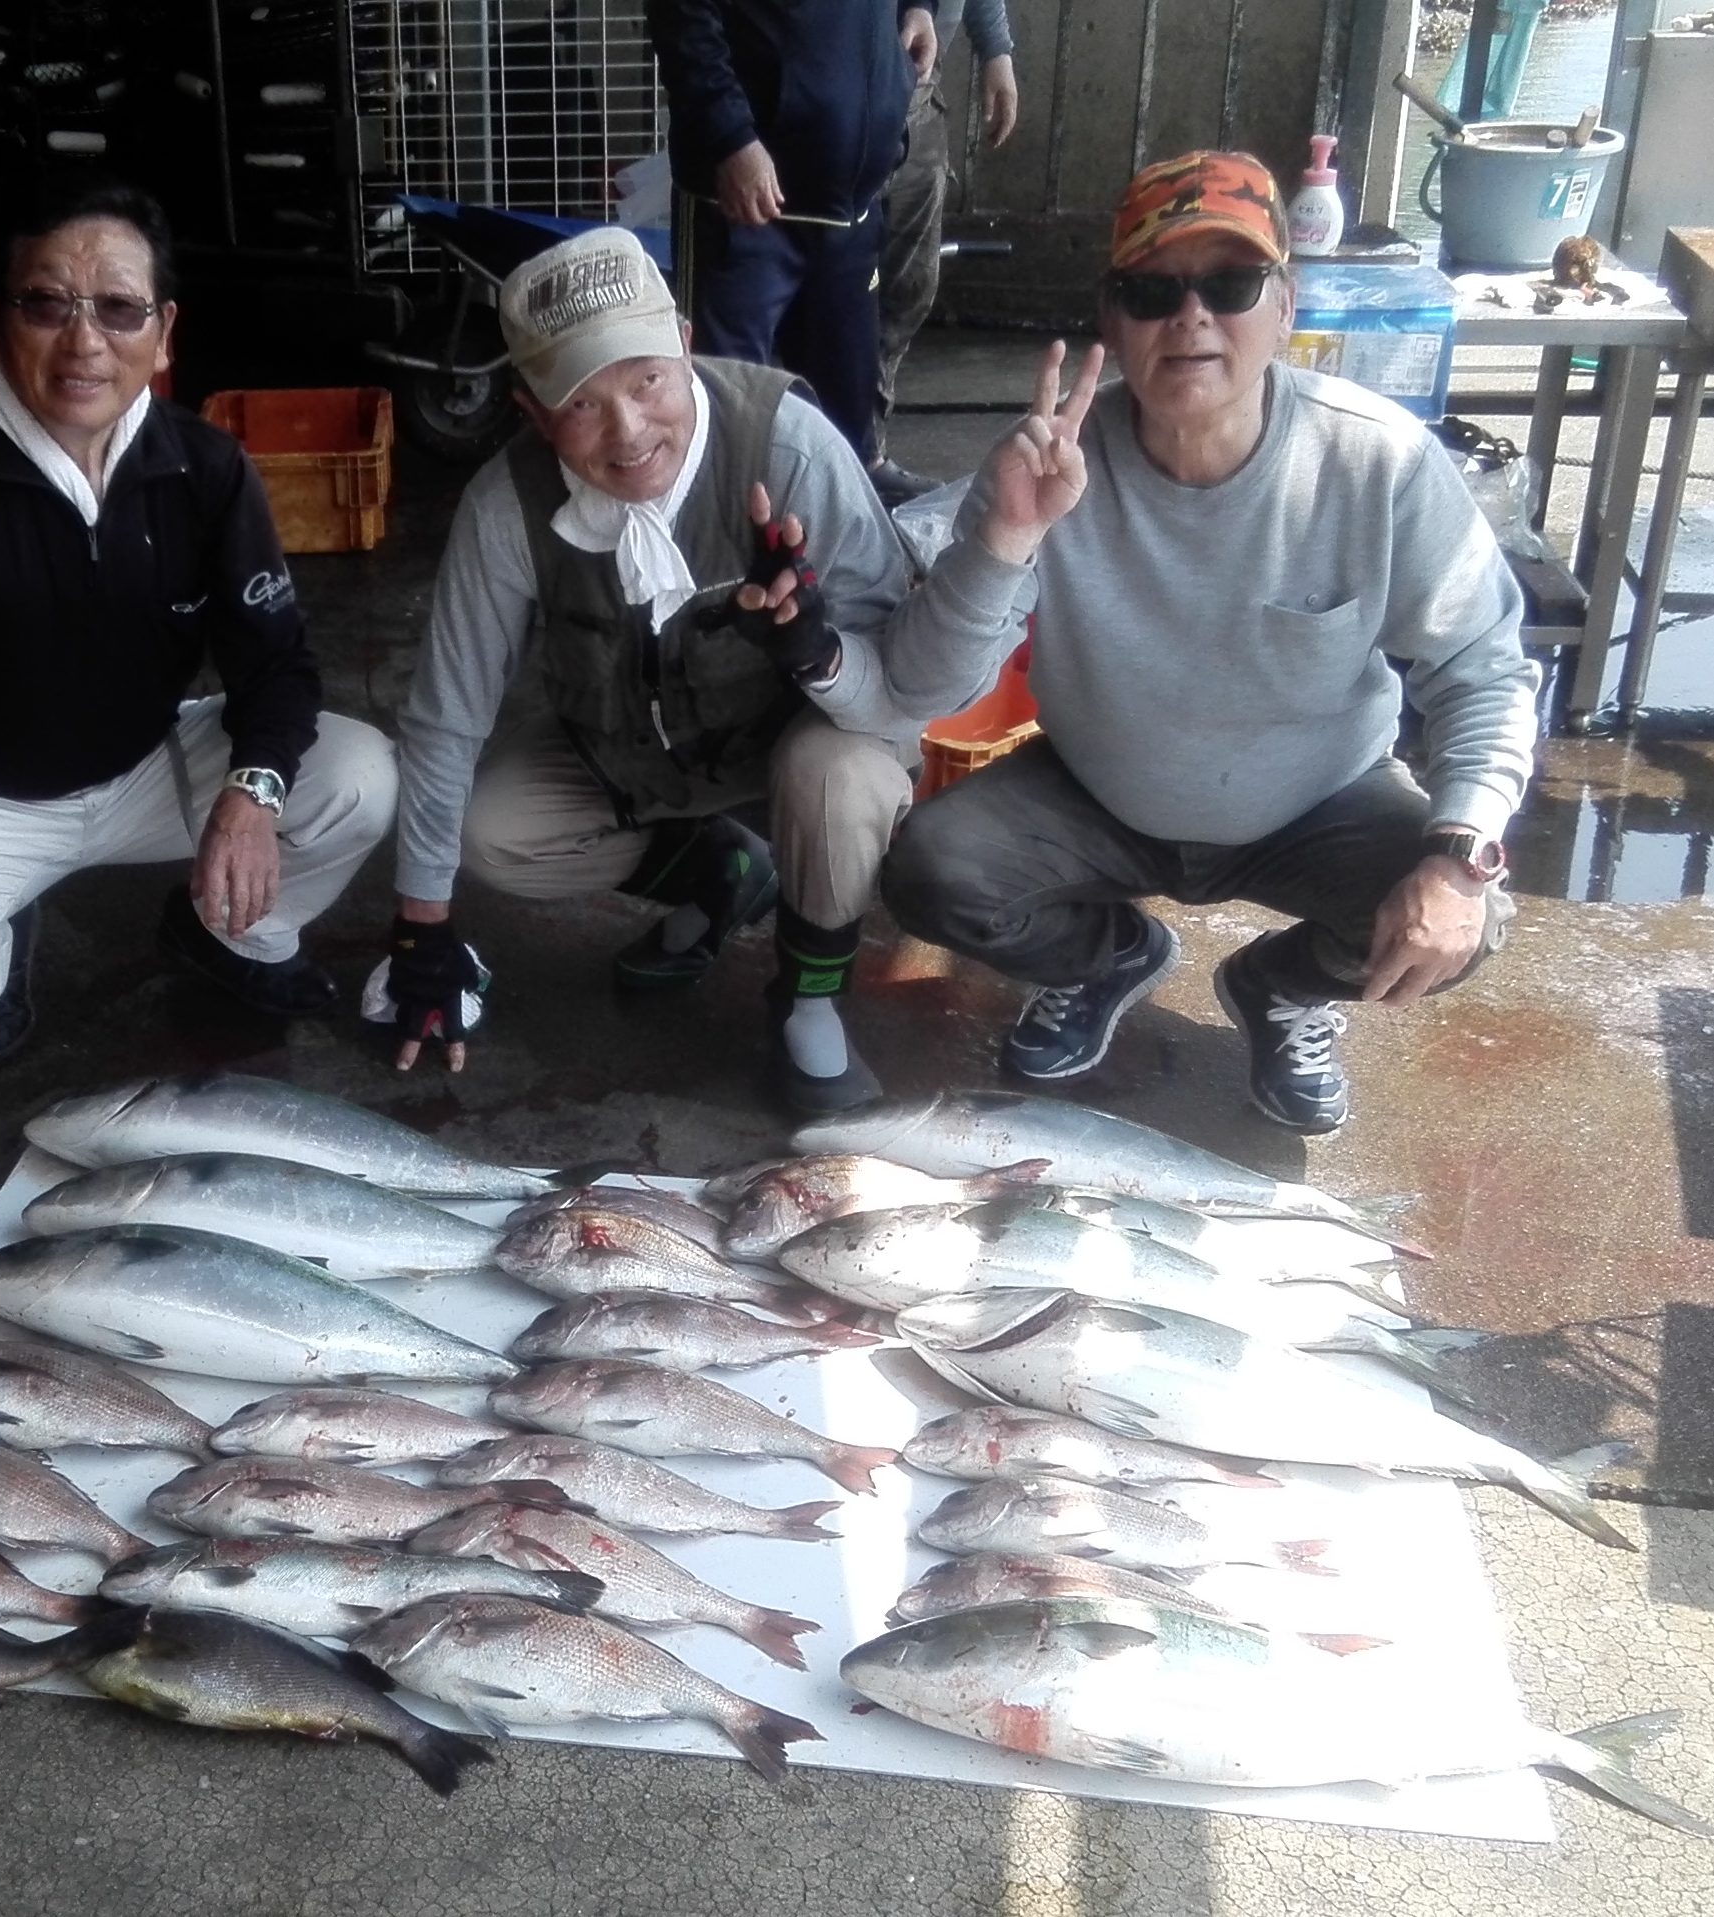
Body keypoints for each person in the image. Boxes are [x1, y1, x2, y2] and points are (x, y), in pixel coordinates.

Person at [880, 150, 1539, 1134]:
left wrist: (1454, 857)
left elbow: (1482, 669)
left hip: (1316, 801)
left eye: (1229, 284)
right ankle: (1108, 959)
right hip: (1098, 791)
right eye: (1150, 290)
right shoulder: (1041, 461)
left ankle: (1281, 987)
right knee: (930, 870)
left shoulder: (1380, 462)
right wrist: (1004, 540)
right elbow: (920, 683)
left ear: (1284, 308)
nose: (1189, 316)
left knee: (1466, 915)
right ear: (1110, 320)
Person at [380, 226, 1005, 1115]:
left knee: (840, 774)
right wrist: (421, 926)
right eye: (581, 404)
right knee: (495, 829)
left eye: (643, 379)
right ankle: (719, 874)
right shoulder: (504, 506)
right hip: (636, 761)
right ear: (527, 410)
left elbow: (907, 687)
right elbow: (447, 714)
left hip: (802, 744)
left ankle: (809, 997)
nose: (629, 431)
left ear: (681, 341)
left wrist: (816, 646)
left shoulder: (786, 444)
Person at [0, 179, 396, 1063]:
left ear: (163, 334)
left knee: (359, 776)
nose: (84, 342)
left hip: (144, 767)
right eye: (46, 304)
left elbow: (276, 661)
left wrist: (251, 793)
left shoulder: (205, 466)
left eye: (119, 310)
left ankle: (232, 936)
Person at [648, 0, 935, 467]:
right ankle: (731, 533)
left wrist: (919, 8)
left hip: (851, 210)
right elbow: (682, 19)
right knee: (728, 413)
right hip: (744, 212)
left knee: (844, 415)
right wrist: (732, 140)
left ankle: (841, 519)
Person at [872, 0, 1020, 507]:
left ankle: (867, 450)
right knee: (837, 289)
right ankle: (814, 454)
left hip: (919, 96)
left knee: (909, 286)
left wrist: (996, 50)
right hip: (841, 91)